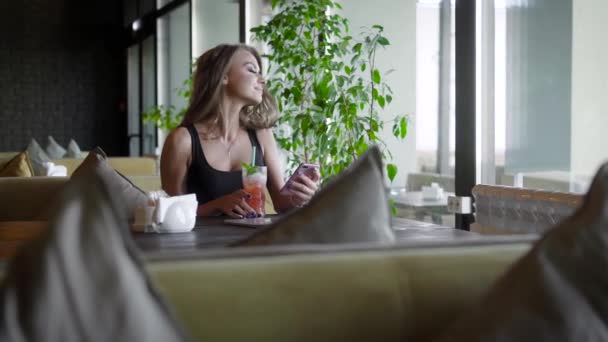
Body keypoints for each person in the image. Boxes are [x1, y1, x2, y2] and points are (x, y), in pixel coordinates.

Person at [160, 44, 319, 218]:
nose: (262, 80)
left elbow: (281, 204)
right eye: (252, 70)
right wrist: (217, 205)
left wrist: (299, 196)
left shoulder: (261, 135)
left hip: (256, 242)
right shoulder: (182, 140)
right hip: (204, 244)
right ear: (223, 76)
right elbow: (171, 214)